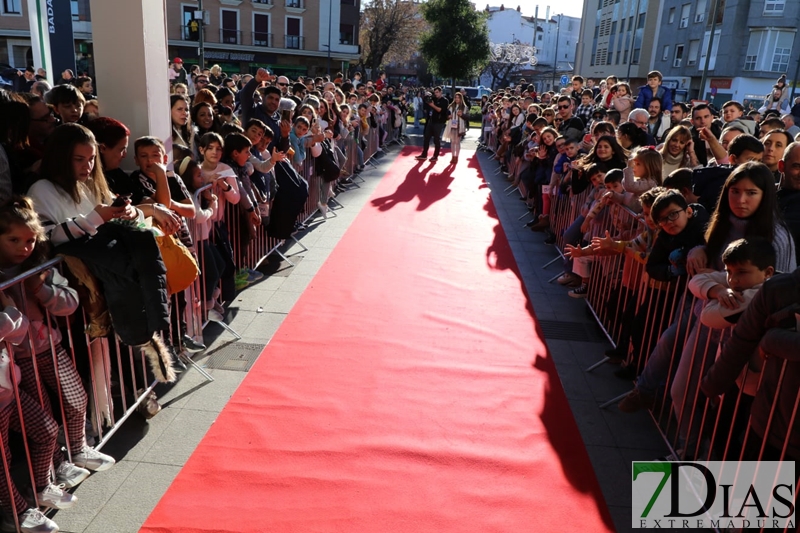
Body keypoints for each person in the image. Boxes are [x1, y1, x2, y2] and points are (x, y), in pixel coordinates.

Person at [416, 87, 449, 163]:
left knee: (436, 139)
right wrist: (427, 98)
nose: (436, 94)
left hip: (439, 122)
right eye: (435, 92)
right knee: (426, 138)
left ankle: (435, 156)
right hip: (430, 121)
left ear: (441, 92)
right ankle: (424, 154)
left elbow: (440, 110)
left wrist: (432, 105)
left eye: (437, 92)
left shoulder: (445, 100)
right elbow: (426, 104)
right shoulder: (433, 98)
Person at [443, 92, 468, 165]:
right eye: (456, 97)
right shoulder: (451, 106)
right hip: (451, 125)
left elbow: (467, 117)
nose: (457, 99)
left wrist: (462, 115)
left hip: (459, 126)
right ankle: (453, 156)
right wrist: (448, 117)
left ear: (461, 98)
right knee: (452, 142)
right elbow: (446, 114)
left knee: (457, 142)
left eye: (458, 97)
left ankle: (456, 156)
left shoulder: (464, 107)